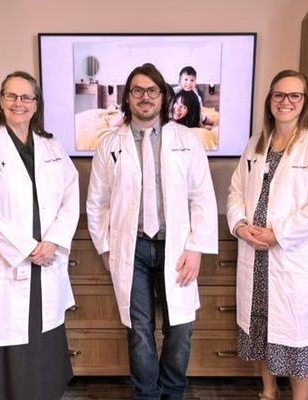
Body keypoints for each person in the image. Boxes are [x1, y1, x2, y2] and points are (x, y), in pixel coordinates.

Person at [87, 63, 218, 400]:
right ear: (128, 98)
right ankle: (146, 395)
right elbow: (97, 202)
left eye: (152, 91)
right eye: (137, 91)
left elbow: (202, 196)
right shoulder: (109, 144)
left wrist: (196, 248)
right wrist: (106, 249)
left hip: (176, 248)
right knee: (140, 331)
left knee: (180, 328)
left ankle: (173, 393)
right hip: (131, 250)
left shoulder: (186, 139)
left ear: (163, 96)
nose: (145, 97)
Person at [0, 71, 79, 400]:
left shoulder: (52, 146)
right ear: (1, 101)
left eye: (26, 97)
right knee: (9, 334)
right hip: (10, 260)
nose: (19, 103)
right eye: (12, 96)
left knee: (44, 333)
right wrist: (29, 248)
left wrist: (54, 241)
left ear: (36, 104)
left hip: (47, 258)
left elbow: (71, 194)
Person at [226, 69, 308, 400]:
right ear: (270, 100)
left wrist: (278, 234)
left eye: (294, 96)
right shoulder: (256, 143)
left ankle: (300, 398)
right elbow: (235, 191)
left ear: (304, 102)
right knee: (262, 327)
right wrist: (241, 225)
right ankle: (268, 392)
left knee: (297, 336)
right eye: (279, 95)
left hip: (292, 256)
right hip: (255, 254)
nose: (285, 102)